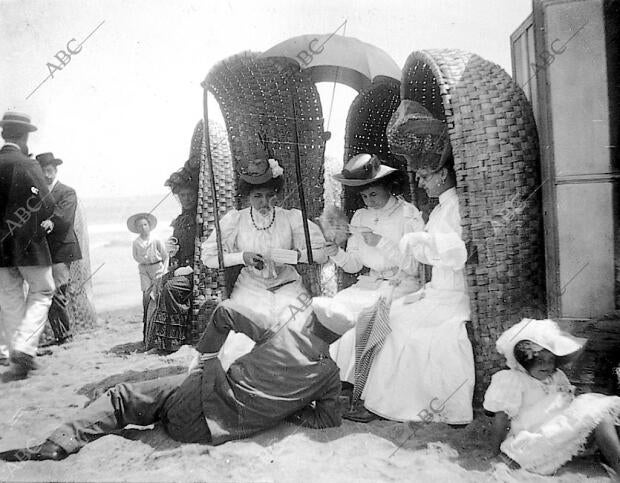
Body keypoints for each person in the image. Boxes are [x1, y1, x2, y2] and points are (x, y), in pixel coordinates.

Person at [0, 297, 354, 462]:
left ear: (309, 321)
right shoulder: (329, 375)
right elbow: (327, 418)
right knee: (157, 395)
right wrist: (285, 412)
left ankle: (58, 442)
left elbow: (226, 310)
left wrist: (209, 354)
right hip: (210, 435)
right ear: (334, 338)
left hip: (198, 401)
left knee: (124, 395)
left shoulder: (280, 330)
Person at [356, 100, 475, 423]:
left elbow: (458, 252)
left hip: (453, 296)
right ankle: (381, 400)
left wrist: (420, 240)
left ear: (444, 174)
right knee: (388, 319)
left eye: (425, 175)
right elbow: (426, 254)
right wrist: (416, 244)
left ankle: (406, 405)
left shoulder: (457, 209)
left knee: (405, 331)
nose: (421, 182)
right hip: (436, 291)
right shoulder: (438, 209)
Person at [201, 154, 328, 369]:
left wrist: (294, 256)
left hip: (288, 286)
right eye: (257, 196)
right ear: (248, 197)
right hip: (251, 287)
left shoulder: (291, 218)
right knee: (243, 337)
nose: (264, 202)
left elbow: (321, 254)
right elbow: (208, 257)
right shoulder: (237, 219)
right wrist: (242, 257)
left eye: (270, 196)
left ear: (277, 195)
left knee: (296, 327)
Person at [312, 153, 424, 395]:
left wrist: (381, 242)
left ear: (388, 187)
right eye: (364, 196)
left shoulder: (407, 213)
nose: (369, 200)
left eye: (373, 194)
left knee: (368, 315)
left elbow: (415, 266)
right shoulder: (361, 216)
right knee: (340, 304)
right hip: (370, 282)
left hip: (401, 283)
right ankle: (335, 378)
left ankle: (357, 385)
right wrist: (336, 253)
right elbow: (353, 265)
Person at [484, 318, 620, 477]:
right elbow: (501, 419)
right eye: (539, 360)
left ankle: (612, 456)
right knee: (599, 416)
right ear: (525, 361)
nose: (546, 366)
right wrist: (495, 454)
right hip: (535, 438)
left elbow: (567, 401)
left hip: (561, 428)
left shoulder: (556, 376)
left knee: (603, 413)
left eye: (551, 361)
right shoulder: (512, 379)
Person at [0, 112, 55, 381]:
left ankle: (17, 352)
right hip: (29, 244)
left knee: (9, 299)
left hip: (1, 248)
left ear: (3, 135)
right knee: (43, 291)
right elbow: (47, 203)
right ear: (24, 137)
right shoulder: (27, 164)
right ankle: (25, 347)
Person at [144, 166, 198, 352]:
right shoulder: (181, 219)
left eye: (190, 194)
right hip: (181, 267)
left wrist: (189, 267)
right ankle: (152, 341)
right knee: (151, 290)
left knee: (170, 288)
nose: (187, 199)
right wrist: (172, 249)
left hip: (196, 270)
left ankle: (173, 343)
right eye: (182, 195)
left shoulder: (202, 218)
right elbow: (178, 248)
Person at [36, 152, 82, 344]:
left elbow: (63, 216)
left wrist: (51, 222)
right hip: (42, 249)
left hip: (62, 249)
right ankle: (60, 334)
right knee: (48, 292)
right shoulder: (35, 194)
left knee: (57, 291)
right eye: (43, 172)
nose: (47, 175)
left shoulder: (67, 192)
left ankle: (65, 335)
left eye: (49, 171)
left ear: (55, 171)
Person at [128, 212, 167, 326]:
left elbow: (165, 256)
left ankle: (159, 321)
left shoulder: (156, 240)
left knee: (157, 293)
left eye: (145, 225)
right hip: (144, 269)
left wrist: (164, 270)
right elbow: (135, 256)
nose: (143, 228)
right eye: (140, 226)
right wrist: (144, 260)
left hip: (157, 268)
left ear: (149, 226)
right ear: (136, 228)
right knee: (146, 293)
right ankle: (146, 320)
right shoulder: (136, 242)